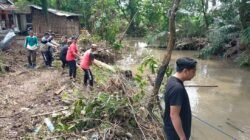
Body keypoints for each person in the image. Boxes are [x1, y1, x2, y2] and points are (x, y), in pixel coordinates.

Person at [163, 57, 197, 140]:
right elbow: (174, 115)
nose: (195, 74)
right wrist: (182, 137)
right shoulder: (177, 88)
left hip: (172, 130)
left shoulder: (172, 80)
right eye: (193, 71)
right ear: (185, 71)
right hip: (176, 134)